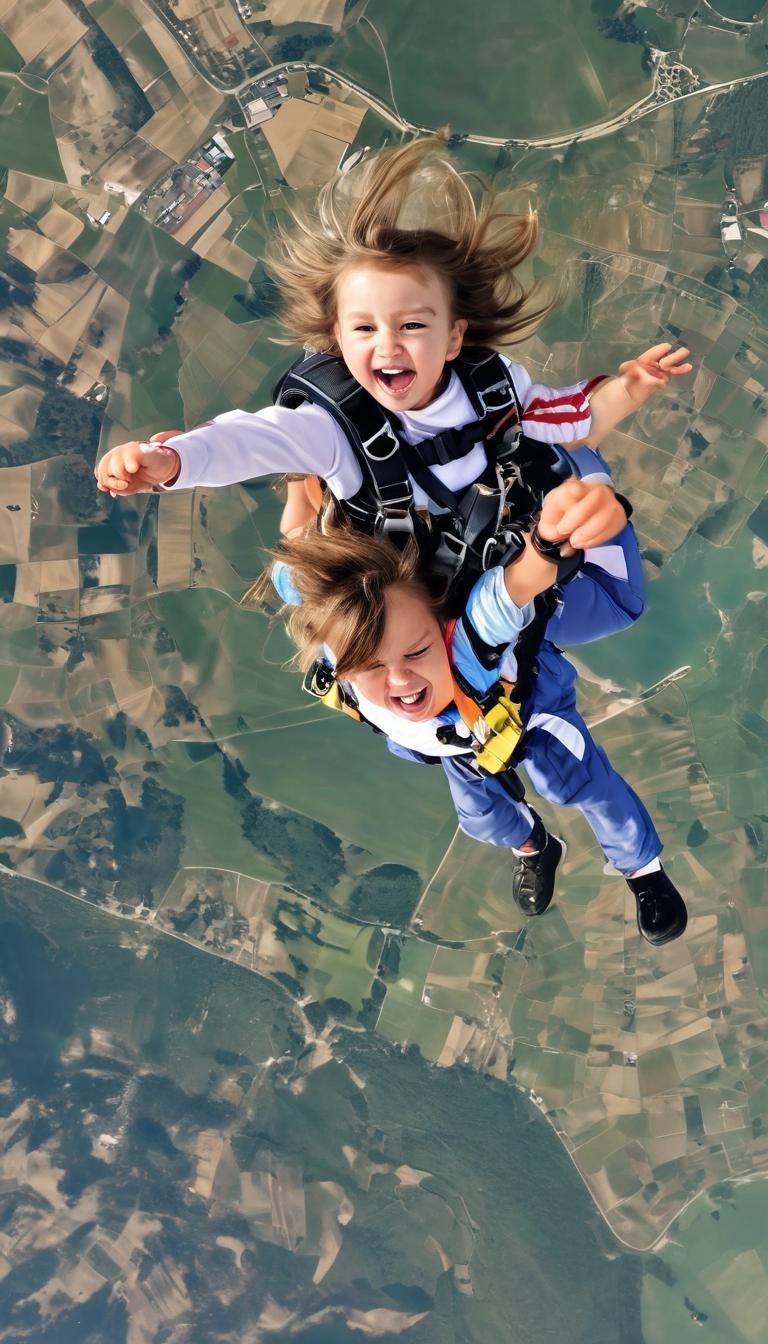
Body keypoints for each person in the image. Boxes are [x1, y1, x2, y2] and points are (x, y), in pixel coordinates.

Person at [94, 137, 690, 604]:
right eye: (364, 329)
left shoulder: (492, 385)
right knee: (300, 579)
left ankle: (307, 489)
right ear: (334, 340)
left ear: (455, 337)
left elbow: (568, 418)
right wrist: (172, 462)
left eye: (411, 326)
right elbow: (252, 439)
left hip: (470, 538)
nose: (389, 346)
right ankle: (304, 499)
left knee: (571, 475)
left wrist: (631, 386)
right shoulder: (334, 427)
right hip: (380, 561)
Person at [262, 464, 688, 947]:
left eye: (417, 652)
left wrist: (547, 541)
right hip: (455, 739)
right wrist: (292, 474)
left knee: (583, 786)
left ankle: (642, 871)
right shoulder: (330, 627)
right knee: (482, 817)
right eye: (372, 666)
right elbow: (296, 547)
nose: (400, 679)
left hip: (526, 711)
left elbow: (513, 589)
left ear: (442, 631)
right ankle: (536, 848)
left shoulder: (470, 642)